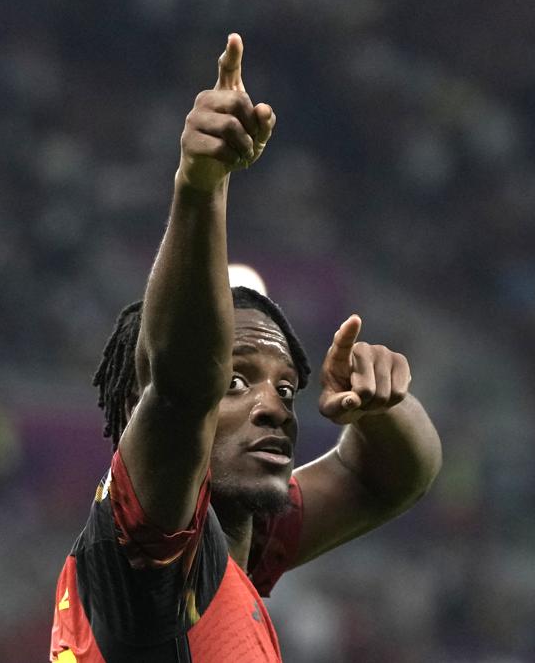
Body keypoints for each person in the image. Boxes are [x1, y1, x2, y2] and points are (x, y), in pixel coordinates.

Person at [48, 33, 442, 662]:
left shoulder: (237, 541)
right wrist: (201, 186)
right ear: (134, 409)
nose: (275, 407)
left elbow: (390, 478)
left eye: (287, 389)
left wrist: (381, 408)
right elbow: (180, 385)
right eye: (237, 382)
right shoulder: (147, 552)